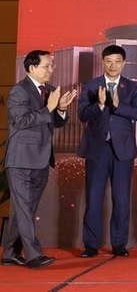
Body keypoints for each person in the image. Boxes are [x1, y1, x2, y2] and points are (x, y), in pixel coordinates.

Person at [1, 50, 76, 268]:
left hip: (42, 160)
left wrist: (60, 109)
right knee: (24, 208)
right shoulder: (19, 91)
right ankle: (34, 255)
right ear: (32, 68)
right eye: (47, 66)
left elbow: (57, 123)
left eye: (52, 65)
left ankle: (10, 253)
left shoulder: (51, 91)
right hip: (21, 160)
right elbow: (22, 120)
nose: (51, 69)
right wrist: (49, 108)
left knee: (27, 208)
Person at [78, 44, 137, 257]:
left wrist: (117, 105)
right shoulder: (91, 85)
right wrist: (98, 105)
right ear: (103, 62)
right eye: (109, 61)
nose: (113, 65)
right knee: (94, 198)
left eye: (117, 61)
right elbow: (82, 114)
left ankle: (119, 245)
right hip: (97, 149)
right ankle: (90, 245)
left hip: (122, 150)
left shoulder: (132, 87)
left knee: (121, 198)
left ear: (123, 63)